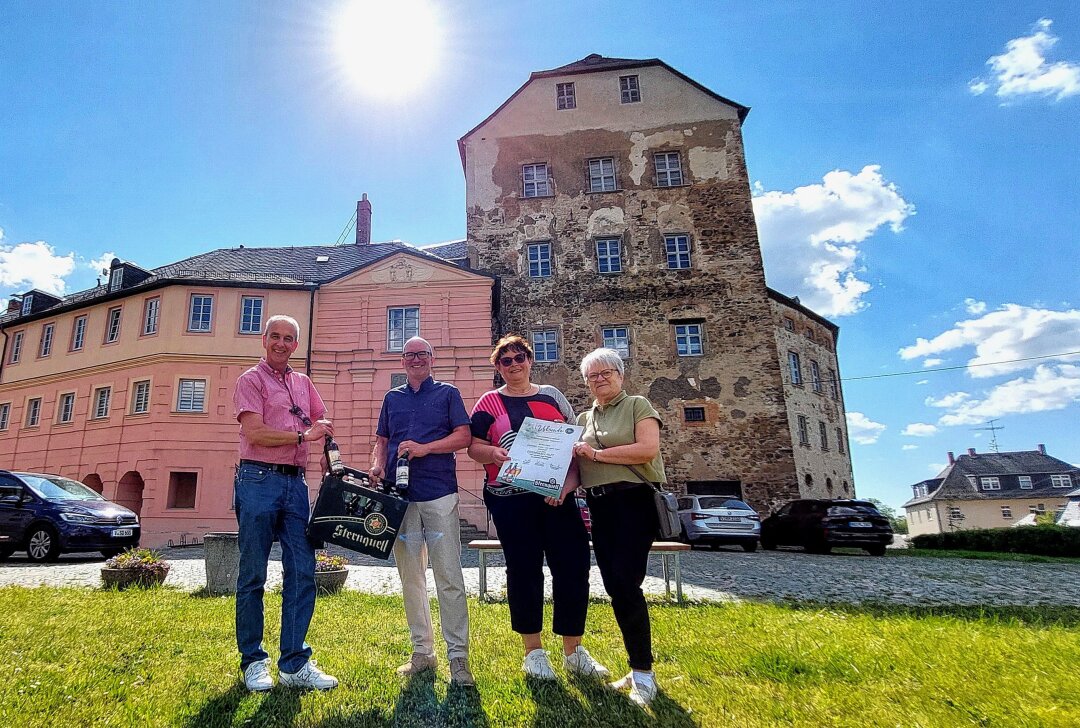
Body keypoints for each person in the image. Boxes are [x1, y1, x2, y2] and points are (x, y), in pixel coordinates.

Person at [467, 334, 609, 680]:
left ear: (530, 360)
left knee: (573, 568)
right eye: (505, 361)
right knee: (523, 570)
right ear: (498, 367)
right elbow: (474, 447)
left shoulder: (552, 396)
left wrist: (567, 486)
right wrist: (493, 453)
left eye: (519, 358)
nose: (514, 365)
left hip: (556, 497)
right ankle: (534, 653)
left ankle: (574, 651)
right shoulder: (488, 402)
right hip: (509, 499)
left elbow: (572, 445)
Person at [232, 314, 338, 691]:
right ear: (264, 340)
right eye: (274, 336)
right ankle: (253, 661)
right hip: (257, 478)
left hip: (296, 485)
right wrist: (302, 437)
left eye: (288, 338)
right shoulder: (250, 380)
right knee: (253, 574)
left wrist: (326, 448)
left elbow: (321, 421)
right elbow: (254, 431)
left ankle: (294, 664)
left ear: (296, 344)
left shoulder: (303, 382)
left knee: (303, 570)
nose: (281, 343)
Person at [371, 336, 475, 686]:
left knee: (448, 575)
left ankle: (458, 658)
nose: (415, 360)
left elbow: (463, 437)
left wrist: (425, 448)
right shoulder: (392, 398)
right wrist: (376, 466)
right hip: (400, 498)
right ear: (402, 361)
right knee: (411, 577)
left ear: (432, 358)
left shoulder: (448, 393)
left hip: (438, 493)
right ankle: (422, 652)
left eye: (422, 354)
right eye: (409, 355)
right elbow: (382, 441)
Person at [572, 347, 666, 707]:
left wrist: (595, 454)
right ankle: (636, 667)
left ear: (620, 375)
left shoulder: (638, 405)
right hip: (598, 506)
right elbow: (575, 469)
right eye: (592, 376)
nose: (599, 379)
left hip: (633, 502)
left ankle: (644, 673)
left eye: (606, 373)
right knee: (615, 586)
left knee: (627, 584)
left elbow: (646, 449)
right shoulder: (583, 418)